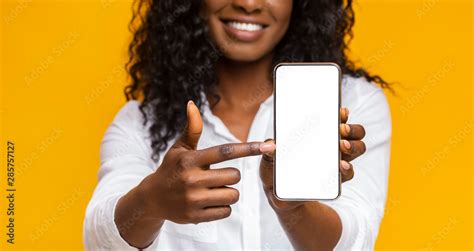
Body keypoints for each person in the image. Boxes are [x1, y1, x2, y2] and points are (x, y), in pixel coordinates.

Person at [83, 0, 392, 250]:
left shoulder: (352, 103)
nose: (248, 4)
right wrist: (151, 201)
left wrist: (293, 208)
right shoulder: (140, 123)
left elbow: (357, 241)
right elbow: (100, 241)